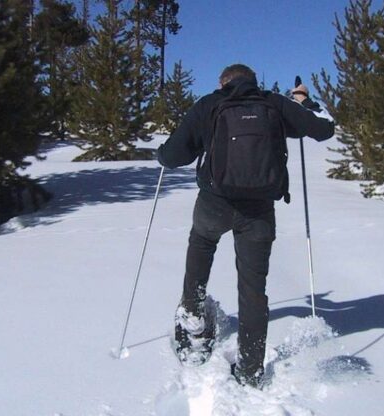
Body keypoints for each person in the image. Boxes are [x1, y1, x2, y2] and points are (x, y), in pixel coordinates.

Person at [157, 63, 334, 387]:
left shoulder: (210, 104)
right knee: (254, 289)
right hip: (259, 210)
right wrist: (304, 102)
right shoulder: (275, 104)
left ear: (224, 83)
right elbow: (324, 129)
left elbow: (175, 155)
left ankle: (194, 320)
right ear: (253, 81)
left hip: (215, 202)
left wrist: (162, 154)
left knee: (201, 243)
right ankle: (251, 369)